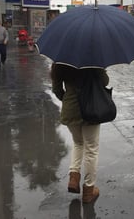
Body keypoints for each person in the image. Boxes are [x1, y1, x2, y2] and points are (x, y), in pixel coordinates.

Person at [51, 63, 109, 204]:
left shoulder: (60, 63)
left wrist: (69, 100)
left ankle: (74, 178)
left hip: (70, 109)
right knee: (91, 149)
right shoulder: (94, 61)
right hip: (91, 108)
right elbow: (104, 82)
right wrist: (102, 68)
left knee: (78, 143)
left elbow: (57, 89)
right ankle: (89, 190)